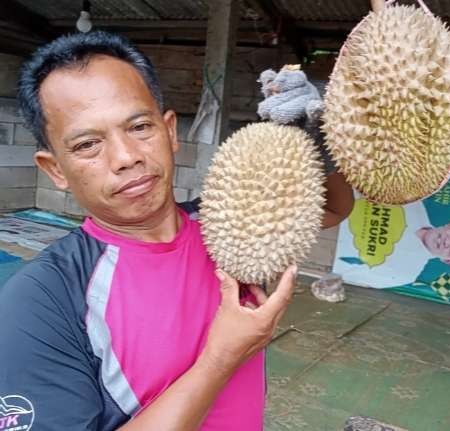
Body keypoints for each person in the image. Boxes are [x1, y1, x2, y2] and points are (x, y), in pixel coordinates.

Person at [0, 30, 347, 431]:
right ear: (55, 169)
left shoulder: (229, 218)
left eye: (139, 127)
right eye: (87, 145)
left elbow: (335, 207)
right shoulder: (41, 300)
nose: (126, 157)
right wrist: (221, 358)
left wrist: (319, 143)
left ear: (169, 132)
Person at [334, 200, 450, 289]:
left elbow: (348, 275)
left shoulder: (405, 274)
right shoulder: (413, 204)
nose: (447, 242)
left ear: (447, 261)